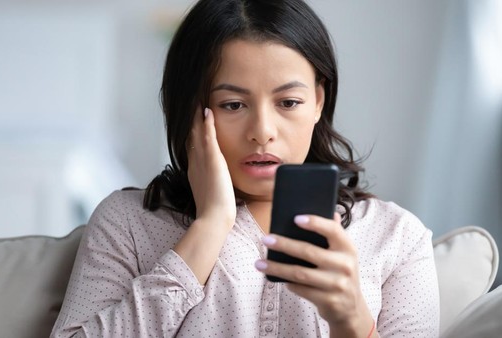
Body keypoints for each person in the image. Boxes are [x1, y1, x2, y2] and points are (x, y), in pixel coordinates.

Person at [51, 0, 439, 336]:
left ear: (318, 101)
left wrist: (353, 324)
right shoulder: (127, 223)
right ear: (190, 109)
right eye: (233, 105)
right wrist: (210, 225)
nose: (263, 133)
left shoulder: (397, 239)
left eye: (288, 102)